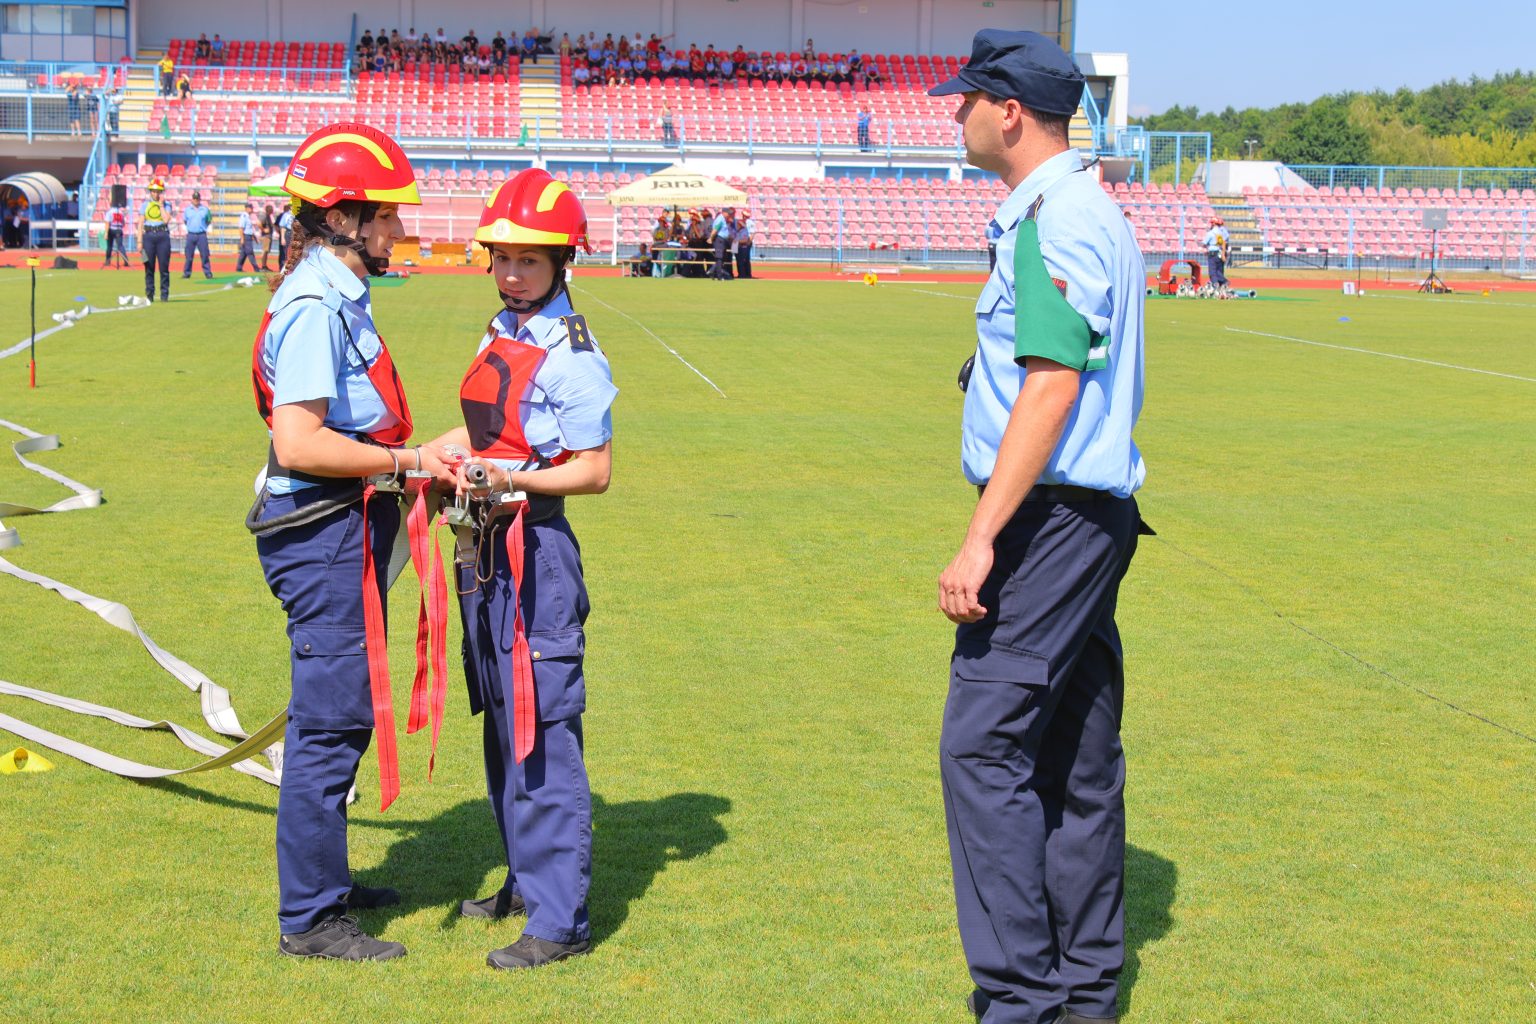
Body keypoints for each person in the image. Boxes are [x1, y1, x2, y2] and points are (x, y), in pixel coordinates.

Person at [930, 30, 1146, 1024]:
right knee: (1075, 759)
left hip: (1050, 522)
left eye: (967, 98)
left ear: (1008, 111)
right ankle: (1084, 992)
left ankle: (1022, 1000)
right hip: (1083, 519)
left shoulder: (1055, 218)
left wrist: (983, 535)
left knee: (982, 748)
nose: (956, 112)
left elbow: (1053, 384)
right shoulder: (1073, 209)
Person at [249, 122, 458, 962]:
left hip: (345, 524)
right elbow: (300, 443)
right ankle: (310, 917)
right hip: (323, 532)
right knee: (330, 724)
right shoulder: (312, 305)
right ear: (345, 217)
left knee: (343, 713)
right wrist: (410, 459)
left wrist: (410, 463)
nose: (398, 231)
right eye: (388, 216)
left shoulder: (330, 292)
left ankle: (326, 880)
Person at [426, 168, 616, 971]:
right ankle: (525, 879)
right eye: (502, 257)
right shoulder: (501, 327)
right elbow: (494, 429)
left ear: (561, 264)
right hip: (483, 549)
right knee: (504, 726)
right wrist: (445, 456)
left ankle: (560, 920)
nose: (511, 272)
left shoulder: (573, 353)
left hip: (533, 547)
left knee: (542, 735)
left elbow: (594, 469)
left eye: (529, 261)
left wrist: (514, 482)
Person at [139, 178, 173, 303]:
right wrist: (139, 241)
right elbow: (140, 223)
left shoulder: (167, 205)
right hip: (148, 236)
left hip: (162, 236)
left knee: (164, 267)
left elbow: (165, 220)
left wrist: (161, 205)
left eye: (158, 191)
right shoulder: (144, 205)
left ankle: (164, 294)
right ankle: (149, 294)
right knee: (148, 266)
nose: (156, 194)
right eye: (153, 191)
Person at [182, 189, 213, 279]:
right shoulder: (187, 210)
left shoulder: (205, 210)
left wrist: (202, 227)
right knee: (189, 255)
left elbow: (208, 220)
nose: (196, 200)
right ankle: (187, 273)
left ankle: (207, 272)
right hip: (191, 234)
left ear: (200, 199)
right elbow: (185, 221)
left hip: (201, 235)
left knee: (204, 254)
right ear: (192, 199)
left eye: (197, 199)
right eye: (194, 198)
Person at [1202, 216, 1229, 289]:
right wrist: (1223, 255)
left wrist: (1205, 248)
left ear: (1213, 224)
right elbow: (1224, 243)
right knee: (1219, 271)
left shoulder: (1210, 233)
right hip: (1220, 253)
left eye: (1211, 223)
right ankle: (1222, 283)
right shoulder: (1221, 233)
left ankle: (1217, 284)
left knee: (1212, 272)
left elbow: (1204, 243)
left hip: (1212, 254)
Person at [708, 207, 734, 280]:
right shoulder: (720, 219)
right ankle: (719, 275)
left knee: (722, 257)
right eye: (728, 213)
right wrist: (711, 238)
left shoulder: (722, 219)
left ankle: (713, 272)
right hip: (719, 240)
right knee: (719, 258)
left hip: (722, 240)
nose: (729, 214)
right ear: (724, 212)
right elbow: (715, 229)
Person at [104, 198, 129, 268]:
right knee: (120, 246)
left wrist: (106, 232)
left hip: (111, 229)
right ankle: (126, 260)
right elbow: (123, 223)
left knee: (109, 246)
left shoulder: (109, 212)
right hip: (119, 230)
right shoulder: (120, 212)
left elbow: (107, 223)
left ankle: (107, 261)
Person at [236, 202, 260, 273]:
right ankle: (256, 268)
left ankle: (239, 267)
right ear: (247, 208)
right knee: (250, 252)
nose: (252, 209)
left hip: (248, 236)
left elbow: (249, 229)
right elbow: (241, 228)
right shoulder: (244, 216)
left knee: (243, 253)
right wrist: (242, 238)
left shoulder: (248, 216)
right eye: (250, 208)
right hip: (246, 237)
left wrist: (254, 237)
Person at [734, 208, 754, 279]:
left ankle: (745, 274)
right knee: (739, 259)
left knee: (744, 259)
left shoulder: (750, 222)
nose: (745, 217)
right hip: (737, 242)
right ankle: (741, 273)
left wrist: (748, 243)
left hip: (744, 242)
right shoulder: (739, 221)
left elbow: (752, 234)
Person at [259, 203, 278, 272]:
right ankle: (263, 266)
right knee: (264, 251)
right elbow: (258, 223)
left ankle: (264, 266)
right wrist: (263, 229)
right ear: (269, 210)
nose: (273, 210)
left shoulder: (268, 216)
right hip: (266, 237)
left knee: (266, 251)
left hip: (268, 236)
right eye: (272, 209)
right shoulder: (265, 216)